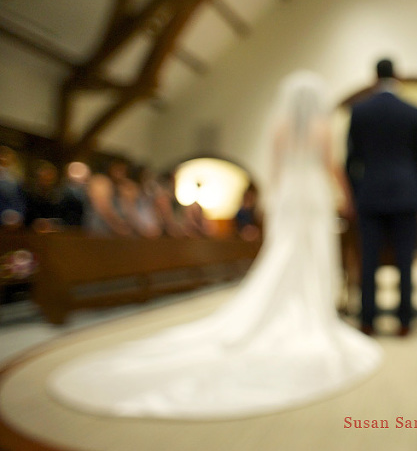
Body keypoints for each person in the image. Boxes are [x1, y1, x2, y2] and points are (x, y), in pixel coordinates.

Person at [47, 70, 382, 419]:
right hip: (311, 196)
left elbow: (275, 170)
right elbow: (330, 166)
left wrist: (274, 201)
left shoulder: (280, 126)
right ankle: (314, 312)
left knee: (286, 255)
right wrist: (346, 196)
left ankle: (295, 309)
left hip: (288, 199)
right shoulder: (322, 128)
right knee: (311, 256)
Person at [346, 59, 417, 337]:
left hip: (370, 195)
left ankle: (367, 320)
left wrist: (357, 195)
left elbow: (351, 160)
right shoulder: (413, 112)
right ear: (397, 76)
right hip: (407, 195)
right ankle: (404, 321)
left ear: (374, 77)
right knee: (405, 261)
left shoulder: (359, 111)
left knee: (368, 261)